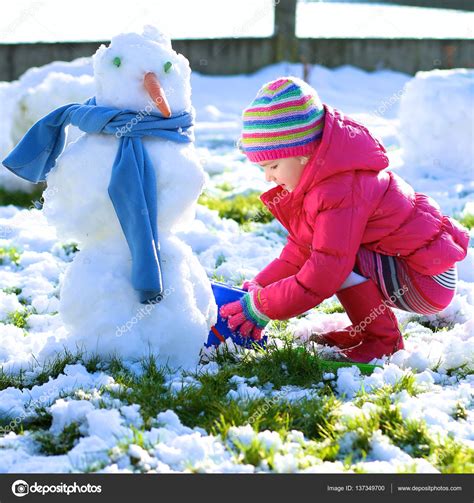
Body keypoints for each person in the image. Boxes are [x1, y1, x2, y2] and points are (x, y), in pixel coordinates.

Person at [220, 76, 469, 363]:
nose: (268, 177)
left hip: (427, 277)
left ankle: (381, 341)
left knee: (336, 262)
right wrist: (258, 288)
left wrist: (263, 307)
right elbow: (299, 250)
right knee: (332, 253)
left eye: (273, 165)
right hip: (412, 265)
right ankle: (367, 330)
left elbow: (324, 273)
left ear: (302, 154)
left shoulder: (338, 189)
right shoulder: (320, 179)